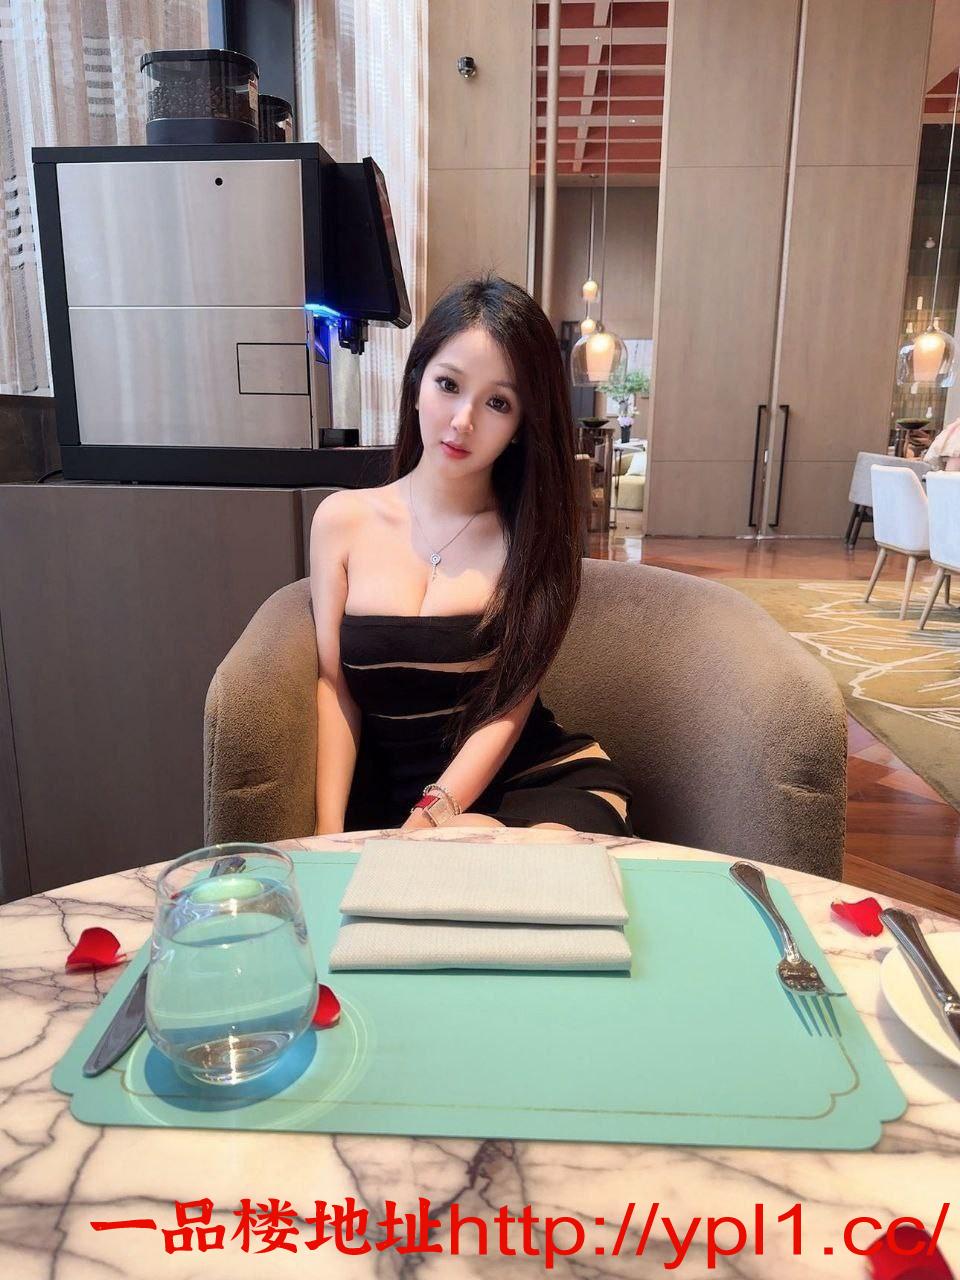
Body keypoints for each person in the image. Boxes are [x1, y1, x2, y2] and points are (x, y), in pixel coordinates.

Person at [309, 274, 634, 838]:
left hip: (537, 789)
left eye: (497, 402)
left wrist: (430, 818)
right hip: (398, 805)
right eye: (449, 385)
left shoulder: (532, 538)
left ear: (520, 426)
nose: (464, 420)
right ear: (416, 382)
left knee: (498, 853)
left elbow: (509, 707)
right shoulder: (341, 520)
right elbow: (335, 688)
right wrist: (326, 831)